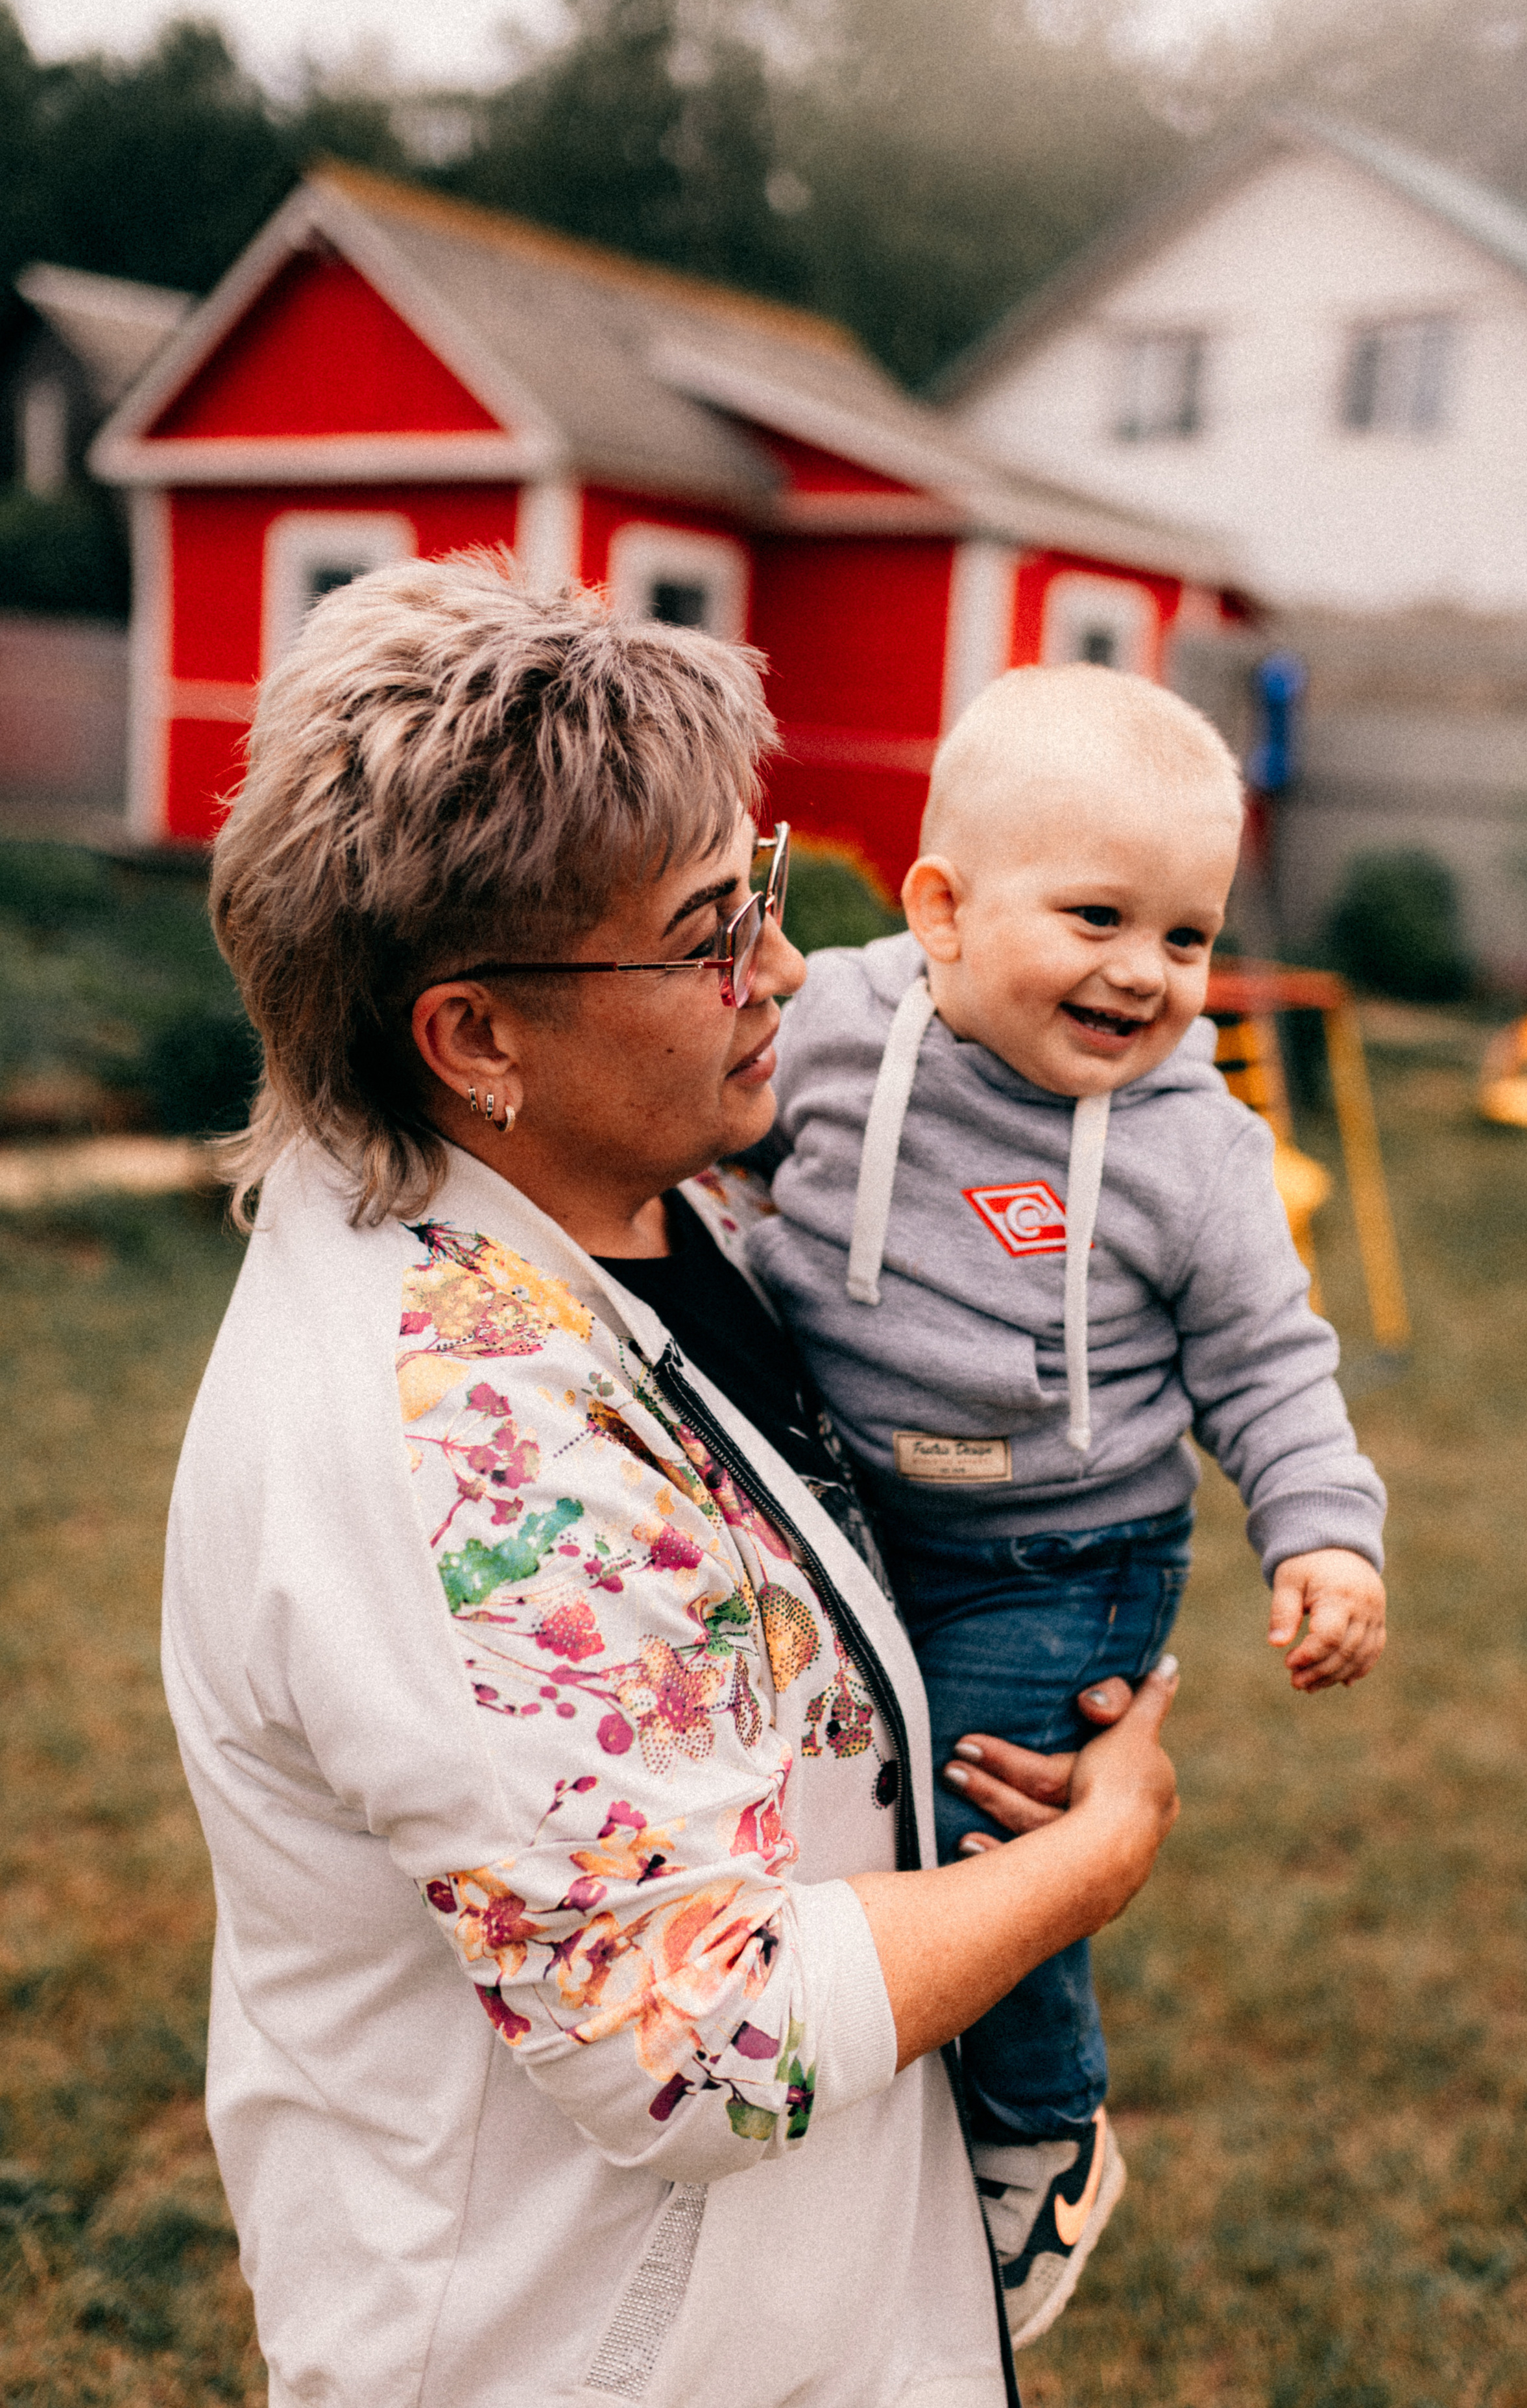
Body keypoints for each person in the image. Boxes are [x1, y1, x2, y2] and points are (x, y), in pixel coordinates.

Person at [163, 557, 1184, 2408]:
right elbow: (699, 2044)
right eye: (715, 930)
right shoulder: (459, 1440)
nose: (785, 966)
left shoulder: (619, 1184)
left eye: (766, 887)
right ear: (476, 1039)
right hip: (585, 2353)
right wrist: (1089, 1864)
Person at [747, 662, 1388, 2328]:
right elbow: (740, 1167)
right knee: (836, 1823)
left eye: (1183, 937)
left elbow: (1266, 1359)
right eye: (1097, 915)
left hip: (1063, 1553)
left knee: (985, 1822)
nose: (1144, 975)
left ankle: (1042, 2136)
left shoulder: (1192, 1151)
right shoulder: (831, 1024)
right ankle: (874, 2123)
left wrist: (1320, 1530)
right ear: (941, 909)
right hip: (861, 1515)